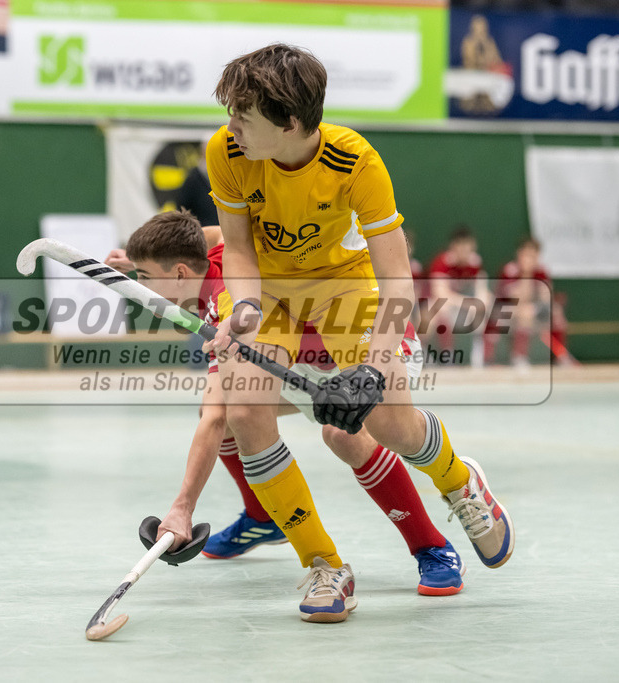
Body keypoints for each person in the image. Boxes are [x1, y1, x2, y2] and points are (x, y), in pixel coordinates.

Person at [206, 44, 514, 622]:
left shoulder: (356, 162)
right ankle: (324, 565)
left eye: (243, 116)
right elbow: (239, 248)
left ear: (290, 122)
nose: (231, 127)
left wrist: (373, 368)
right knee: (244, 412)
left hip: (349, 287)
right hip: (270, 291)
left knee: (388, 424)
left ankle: (458, 480)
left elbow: (399, 279)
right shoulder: (226, 151)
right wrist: (242, 310)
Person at [107, 210, 467, 601]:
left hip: (373, 345)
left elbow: (214, 418)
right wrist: (136, 259)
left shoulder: (229, 309)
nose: (142, 291)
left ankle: (430, 546)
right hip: (308, 357)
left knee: (341, 435)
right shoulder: (211, 257)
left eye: (144, 280)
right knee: (237, 417)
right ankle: (263, 517)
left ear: (179, 274)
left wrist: (182, 508)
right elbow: (206, 234)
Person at [488, 237, 572, 368]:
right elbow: (518, 299)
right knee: (525, 313)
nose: (530, 259)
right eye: (526, 255)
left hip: (531, 309)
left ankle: (560, 356)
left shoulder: (541, 271)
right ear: (519, 254)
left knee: (556, 312)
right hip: (504, 312)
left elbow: (545, 298)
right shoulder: (510, 270)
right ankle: (519, 357)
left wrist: (543, 304)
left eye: (533, 255)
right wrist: (526, 274)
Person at [425, 225, 492, 363]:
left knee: (489, 303)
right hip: (434, 306)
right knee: (439, 309)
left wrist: (482, 299)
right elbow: (440, 294)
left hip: (461, 306)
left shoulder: (475, 262)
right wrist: (469, 302)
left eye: (468, 247)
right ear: (453, 246)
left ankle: (481, 356)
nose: (464, 251)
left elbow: (482, 288)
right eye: (461, 247)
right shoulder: (441, 262)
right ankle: (442, 354)